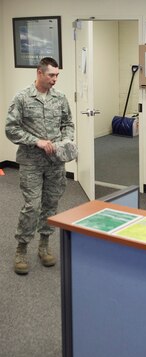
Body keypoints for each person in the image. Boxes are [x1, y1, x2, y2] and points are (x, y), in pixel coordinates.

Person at [6, 57, 73, 275]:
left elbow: (68, 124)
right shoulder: (22, 97)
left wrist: (65, 141)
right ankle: (21, 249)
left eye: (57, 75)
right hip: (31, 161)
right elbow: (11, 129)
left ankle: (44, 246)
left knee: (51, 204)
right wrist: (36, 141)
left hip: (55, 162)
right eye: (51, 75)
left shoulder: (60, 98)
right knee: (32, 206)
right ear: (39, 73)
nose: (55, 79)